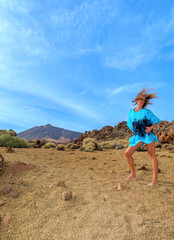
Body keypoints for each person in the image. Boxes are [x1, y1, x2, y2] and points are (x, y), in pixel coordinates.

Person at [124, 88, 161, 187]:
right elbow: (130, 123)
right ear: (136, 100)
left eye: (143, 100)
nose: (141, 101)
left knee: (152, 155)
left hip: (148, 135)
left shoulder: (147, 112)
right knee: (127, 153)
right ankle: (133, 175)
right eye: (139, 99)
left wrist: (151, 127)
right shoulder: (131, 112)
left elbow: (156, 120)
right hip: (137, 136)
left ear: (144, 102)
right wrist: (135, 131)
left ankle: (155, 181)